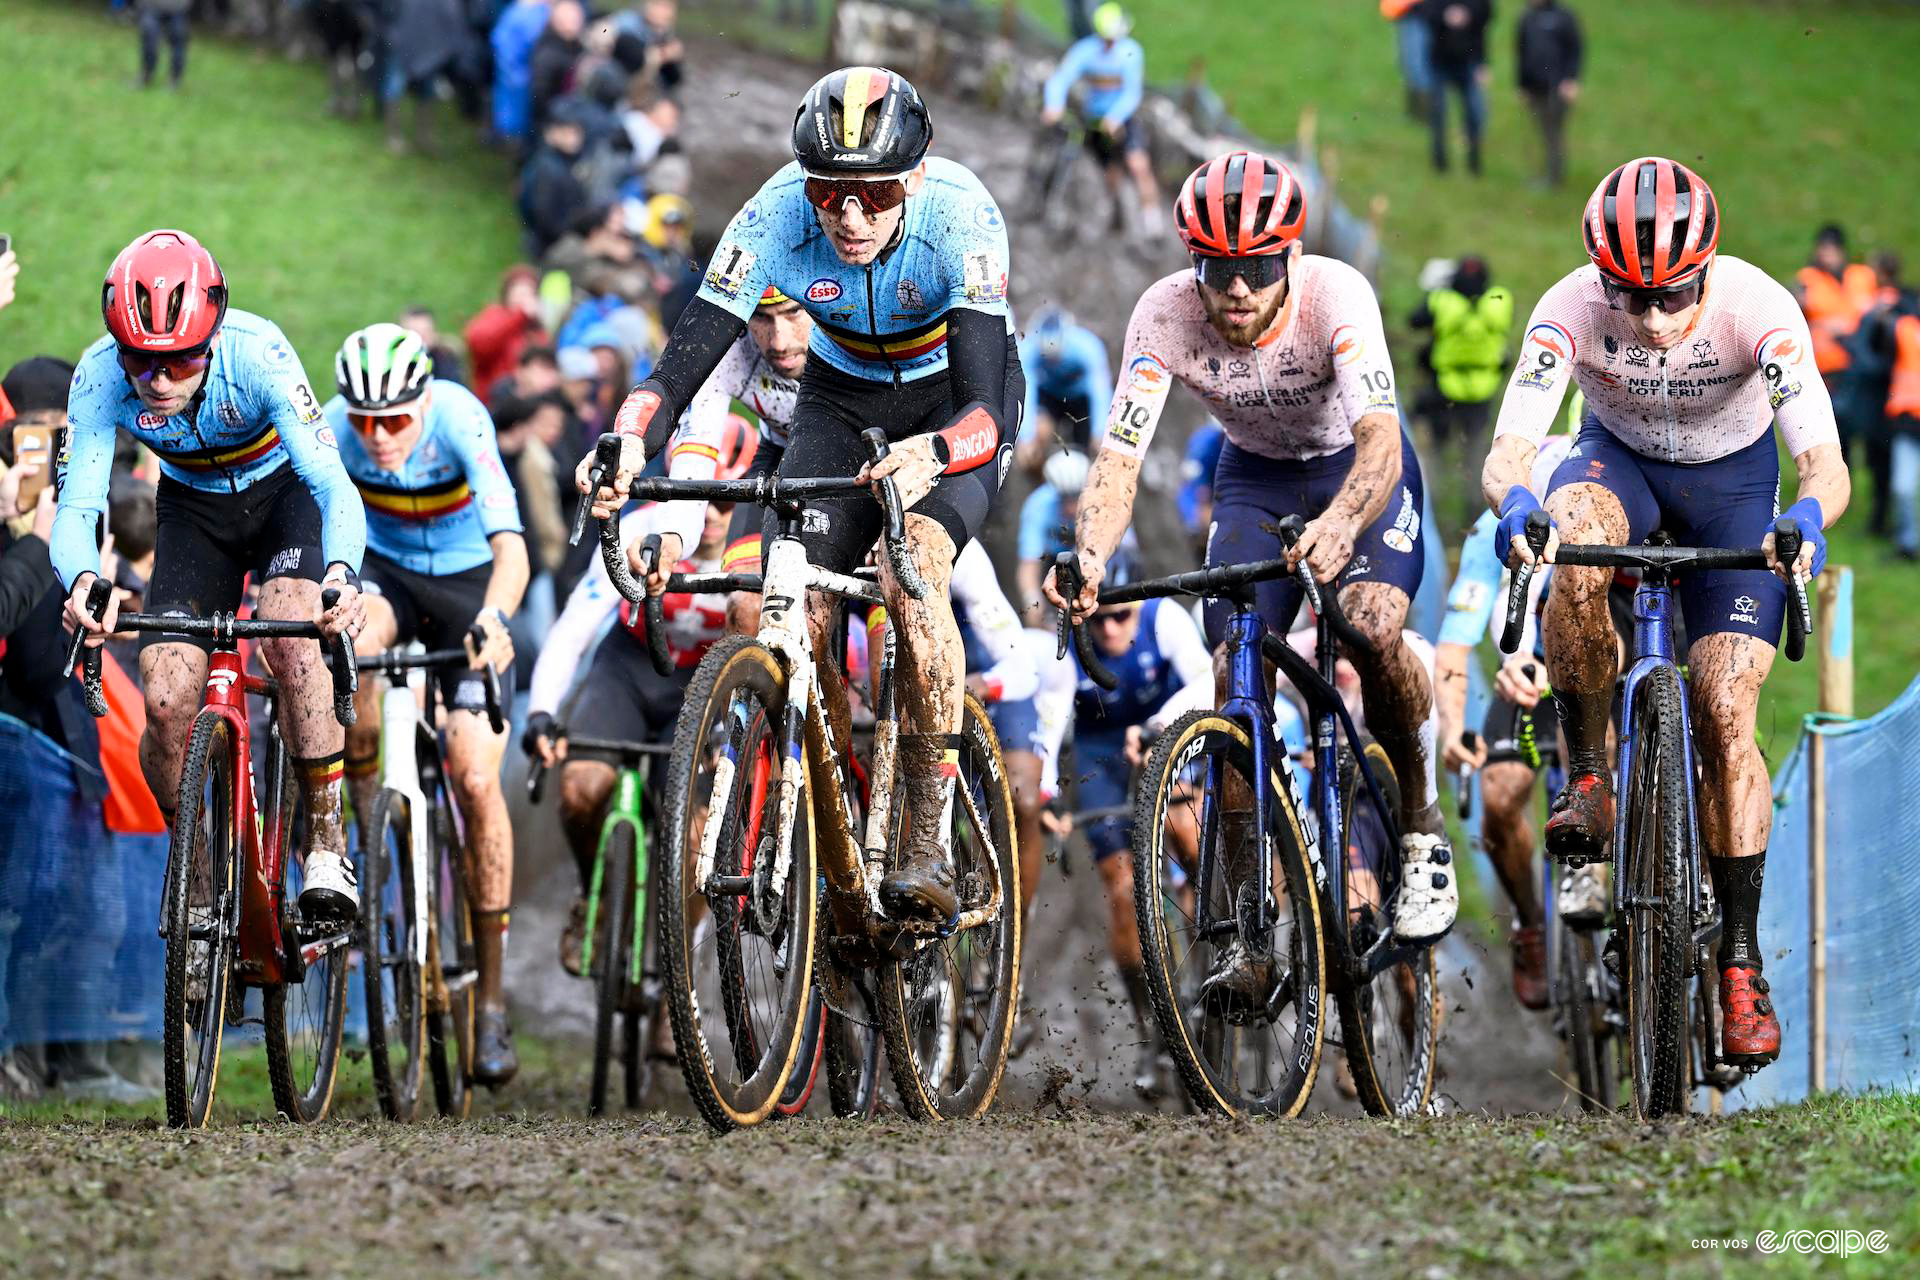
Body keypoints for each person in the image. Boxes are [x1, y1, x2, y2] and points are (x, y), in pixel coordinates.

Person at [579, 66, 1023, 925]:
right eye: (830, 193)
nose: (849, 217)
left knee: (910, 572)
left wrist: (934, 452)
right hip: (842, 393)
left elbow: (984, 409)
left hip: (953, 404)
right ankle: (831, 824)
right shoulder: (774, 215)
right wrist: (630, 436)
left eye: (876, 192)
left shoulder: (964, 219)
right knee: (795, 600)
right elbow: (680, 369)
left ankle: (926, 834)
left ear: (916, 178)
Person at [1046, 151, 1458, 1012]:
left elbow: (1382, 440)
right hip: (1257, 479)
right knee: (1239, 680)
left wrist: (1342, 525)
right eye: (1219, 270)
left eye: (1259, 269)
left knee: (1372, 624)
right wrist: (1088, 557)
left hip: (1360, 473)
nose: (1238, 291)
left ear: (1292, 261)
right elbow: (1119, 459)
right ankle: (1240, 934)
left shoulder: (1339, 296)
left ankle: (1418, 831)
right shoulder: (1161, 315)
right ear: (1194, 265)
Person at [1481, 157, 1851, 1068]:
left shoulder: (1761, 311)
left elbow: (1827, 467)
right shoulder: (1566, 307)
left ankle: (1737, 962)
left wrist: (1805, 517)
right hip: (1620, 465)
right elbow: (1510, 451)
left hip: (1733, 488)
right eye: (1629, 296)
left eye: (1672, 295)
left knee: (1728, 711)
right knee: (1570, 543)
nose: (1649, 319)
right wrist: (1517, 504)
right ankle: (1594, 778)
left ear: (1708, 267)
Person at [57, 230, 367, 923]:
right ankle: (197, 882)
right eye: (144, 362)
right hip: (193, 511)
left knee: (292, 640)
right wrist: (82, 581)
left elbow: (333, 486)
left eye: (182, 360)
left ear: (213, 337)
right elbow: (78, 505)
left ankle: (324, 841)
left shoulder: (259, 353)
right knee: (165, 699)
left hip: (282, 497)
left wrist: (342, 577)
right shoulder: (99, 372)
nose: (159, 380)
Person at [324, 323, 529, 1084]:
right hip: (390, 578)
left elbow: (514, 548)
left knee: (475, 776)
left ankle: (495, 1001)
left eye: (395, 421)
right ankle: (371, 814)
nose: (379, 438)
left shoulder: (459, 416)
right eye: (364, 421)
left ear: (422, 403)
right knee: (354, 642)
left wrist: (496, 618)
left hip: (471, 585)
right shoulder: (339, 431)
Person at [524, 492, 735, 975]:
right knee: (580, 788)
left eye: (727, 504)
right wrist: (541, 711)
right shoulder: (640, 528)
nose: (715, 517)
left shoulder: (754, 541)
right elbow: (575, 626)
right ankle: (591, 902)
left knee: (699, 835)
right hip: (628, 667)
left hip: (704, 681)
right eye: (705, 502)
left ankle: (676, 986)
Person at [1434, 431, 1574, 1008]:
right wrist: (1450, 729)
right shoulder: (1487, 535)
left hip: (1603, 670)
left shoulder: (1607, 505)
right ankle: (1530, 924)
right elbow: (1452, 649)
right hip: (1527, 682)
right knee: (1496, 798)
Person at [1063, 553, 1212, 1095]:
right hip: (1101, 753)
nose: (1109, 628)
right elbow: (1054, 717)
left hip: (1170, 735)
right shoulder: (1071, 639)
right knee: (1122, 889)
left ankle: (1211, 940)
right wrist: (1047, 801)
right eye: (1098, 618)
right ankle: (1153, 1024)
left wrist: (1161, 735)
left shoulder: (1166, 620)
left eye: (1121, 617)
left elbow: (1207, 682)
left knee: (1189, 836)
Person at [1039, 4, 1163, 235]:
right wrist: (1053, 105)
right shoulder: (1085, 51)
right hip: (1094, 122)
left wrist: (1115, 117)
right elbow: (1060, 79)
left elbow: (1132, 92)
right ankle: (1117, 215)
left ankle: (1152, 222)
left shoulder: (1131, 52)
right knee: (1110, 173)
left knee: (1138, 164)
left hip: (1122, 120)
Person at [1409, 255, 1513, 450]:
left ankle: (1433, 478)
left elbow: (1414, 321)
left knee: (1436, 442)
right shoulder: (1499, 300)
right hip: (1485, 383)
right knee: (1475, 443)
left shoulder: (1441, 301)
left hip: (1444, 383)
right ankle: (1477, 478)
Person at [1017, 307, 1111, 468]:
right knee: (1034, 444)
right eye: (1047, 356)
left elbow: (1100, 391)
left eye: (1056, 355)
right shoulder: (1028, 349)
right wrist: (1026, 437)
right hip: (1050, 396)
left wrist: (1099, 432)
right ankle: (1043, 482)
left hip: (1082, 400)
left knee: (1093, 449)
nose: (1053, 361)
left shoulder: (1087, 346)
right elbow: (1027, 390)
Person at [1514, 0, 1582, 189]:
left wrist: (1571, 79)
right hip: (1535, 87)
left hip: (1557, 87)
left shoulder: (1564, 16)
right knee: (1544, 132)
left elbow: (1575, 49)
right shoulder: (1526, 17)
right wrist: (1522, 84)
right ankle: (1546, 175)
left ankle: (1554, 178)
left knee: (1554, 133)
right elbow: (1521, 52)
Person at [1424, 0, 1492, 174]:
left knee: (1474, 113)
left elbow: (1486, 16)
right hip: (1440, 61)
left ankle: (1474, 162)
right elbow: (1426, 12)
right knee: (1438, 112)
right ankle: (1439, 161)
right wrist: (1445, 15)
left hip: (1468, 61)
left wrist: (1482, 63)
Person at [465, 265, 549, 402]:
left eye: (529, 294)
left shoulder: (535, 329)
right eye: (520, 294)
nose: (524, 300)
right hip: (494, 401)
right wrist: (519, 316)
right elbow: (480, 345)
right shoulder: (494, 315)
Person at [1383, 0, 1434, 120]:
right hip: (1409, 12)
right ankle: (1420, 112)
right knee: (1412, 64)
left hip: (1424, 12)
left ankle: (1424, 113)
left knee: (1419, 65)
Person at [136, 0, 192, 91]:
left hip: (178, 9)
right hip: (152, 7)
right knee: (149, 40)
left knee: (178, 43)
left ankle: (175, 80)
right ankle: (146, 75)